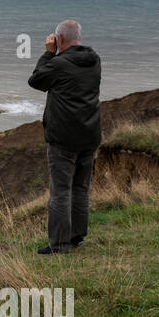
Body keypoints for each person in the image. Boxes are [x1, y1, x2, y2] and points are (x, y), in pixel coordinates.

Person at [28, 19, 101, 255]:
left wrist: (48, 53)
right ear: (79, 37)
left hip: (63, 138)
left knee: (60, 191)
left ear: (59, 39)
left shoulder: (58, 63)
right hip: (89, 134)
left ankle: (59, 245)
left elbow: (36, 80)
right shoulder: (94, 60)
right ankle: (77, 236)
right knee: (80, 187)